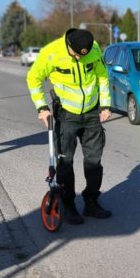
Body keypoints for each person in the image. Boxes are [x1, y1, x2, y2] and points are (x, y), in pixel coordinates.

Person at [26, 28, 113, 225]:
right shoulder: (51, 53)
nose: (80, 59)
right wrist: (41, 107)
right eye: (75, 55)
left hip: (91, 113)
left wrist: (106, 105)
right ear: (68, 46)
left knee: (94, 161)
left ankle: (91, 201)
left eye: (84, 56)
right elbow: (33, 78)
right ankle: (69, 205)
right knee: (65, 162)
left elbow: (102, 76)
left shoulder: (94, 49)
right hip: (66, 115)